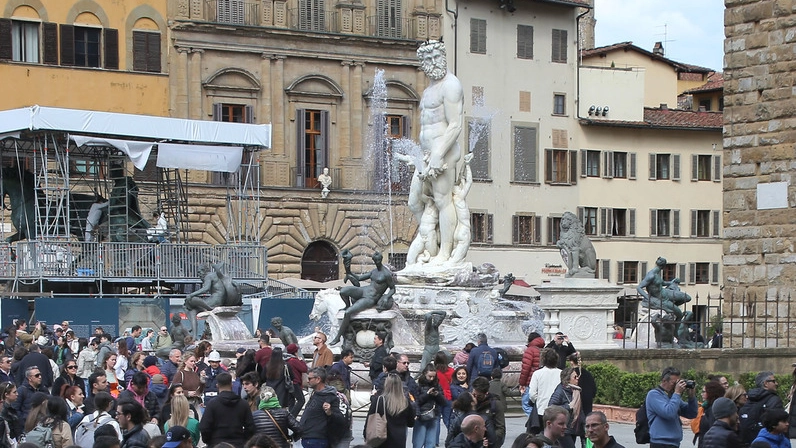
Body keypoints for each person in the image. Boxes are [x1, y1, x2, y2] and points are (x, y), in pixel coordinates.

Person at [415, 39, 464, 265]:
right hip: (426, 155)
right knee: (415, 202)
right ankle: (429, 246)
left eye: (436, 57)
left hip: (443, 152)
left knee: (444, 201)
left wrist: (438, 153)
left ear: (443, 57)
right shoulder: (428, 90)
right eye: (428, 59)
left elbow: (455, 124)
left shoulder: (451, 85)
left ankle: (445, 253)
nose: (433, 62)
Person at [331, 253, 396, 345]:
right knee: (343, 291)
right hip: (363, 290)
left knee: (348, 312)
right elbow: (358, 278)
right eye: (375, 260)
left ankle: (338, 337)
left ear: (380, 260)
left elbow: (393, 289)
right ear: (373, 260)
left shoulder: (386, 274)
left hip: (370, 298)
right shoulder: (374, 271)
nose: (376, 262)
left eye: (378, 260)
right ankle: (347, 305)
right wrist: (348, 269)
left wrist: (386, 297)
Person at [646, 366, 698, 448]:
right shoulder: (654, 395)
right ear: (664, 381)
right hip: (660, 443)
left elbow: (692, 413)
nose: (676, 386)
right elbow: (668, 413)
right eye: (674, 383)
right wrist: (677, 393)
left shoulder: (672, 397)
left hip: (674, 443)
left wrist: (691, 397)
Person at [199, 372, 255, 447]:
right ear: (232, 385)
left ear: (217, 386)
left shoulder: (212, 404)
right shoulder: (243, 404)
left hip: (216, 443)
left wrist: (210, 441)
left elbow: (204, 427)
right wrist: (244, 441)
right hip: (238, 443)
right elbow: (250, 427)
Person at [299, 367, 347, 448]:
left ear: (318, 379)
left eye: (310, 378)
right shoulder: (316, 393)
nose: (307, 381)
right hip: (308, 437)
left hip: (317, 439)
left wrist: (330, 412)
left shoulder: (330, 396)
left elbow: (340, 418)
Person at [365, 373, 415, 448]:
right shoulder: (405, 402)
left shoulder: (380, 400)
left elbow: (370, 419)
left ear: (386, 385)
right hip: (399, 440)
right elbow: (411, 423)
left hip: (382, 439)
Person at [741, 371, 785, 444]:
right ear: (766, 383)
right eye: (773, 381)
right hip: (768, 441)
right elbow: (776, 422)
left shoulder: (749, 398)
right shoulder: (774, 400)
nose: (776, 383)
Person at [548, 367, 584, 448]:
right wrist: (568, 406)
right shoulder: (560, 391)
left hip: (573, 429)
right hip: (564, 429)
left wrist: (584, 424)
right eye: (575, 377)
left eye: (577, 376)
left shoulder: (576, 391)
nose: (577, 378)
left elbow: (580, 411)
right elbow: (551, 407)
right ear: (568, 379)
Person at [413, 364, 447, 448]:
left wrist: (437, 395)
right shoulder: (418, 385)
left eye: (433, 377)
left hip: (434, 416)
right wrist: (427, 395)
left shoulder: (437, 385)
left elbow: (443, 402)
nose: (431, 379)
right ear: (424, 374)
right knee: (418, 443)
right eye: (429, 376)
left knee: (431, 444)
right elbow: (416, 401)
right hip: (421, 416)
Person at [529, 349, 561, 427]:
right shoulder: (561, 373)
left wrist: (538, 400)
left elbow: (532, 394)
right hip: (558, 409)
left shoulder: (537, 374)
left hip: (541, 409)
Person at [12, 366, 49, 434]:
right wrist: (25, 422)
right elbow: (15, 409)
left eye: (40, 374)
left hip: (43, 426)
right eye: (37, 375)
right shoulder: (21, 390)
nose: (40, 377)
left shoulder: (44, 389)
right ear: (29, 378)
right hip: (27, 427)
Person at [471, 376, 504, 448]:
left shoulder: (495, 404)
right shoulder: (471, 402)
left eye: (479, 396)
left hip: (490, 441)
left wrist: (490, 439)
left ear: (486, 393)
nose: (475, 397)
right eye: (474, 394)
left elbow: (500, 428)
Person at [695, 380, 725, 447]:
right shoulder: (707, 408)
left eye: (704, 392)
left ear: (711, 393)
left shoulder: (713, 410)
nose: (701, 394)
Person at [284, 344, 306, 417]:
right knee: (301, 400)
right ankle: (291, 417)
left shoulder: (285, 360)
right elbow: (304, 369)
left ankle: (290, 416)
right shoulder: (294, 360)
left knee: (291, 401)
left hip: (288, 383)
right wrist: (301, 361)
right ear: (295, 352)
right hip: (295, 383)